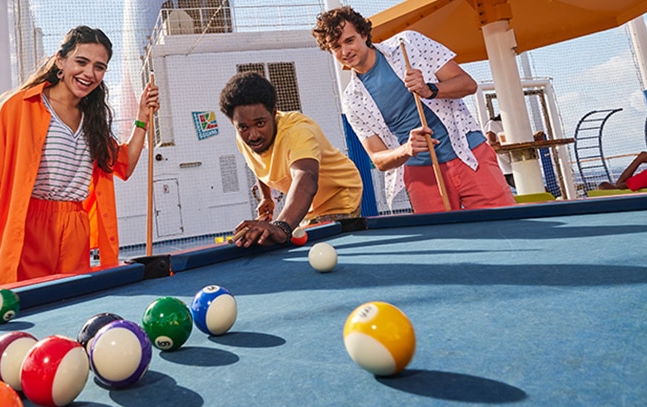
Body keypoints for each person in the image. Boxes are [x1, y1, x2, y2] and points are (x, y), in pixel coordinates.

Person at [0, 26, 161, 287]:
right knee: (24, 302)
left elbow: (123, 165)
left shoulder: (93, 121)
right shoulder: (19, 107)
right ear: (61, 60)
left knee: (71, 302)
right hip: (28, 225)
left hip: (75, 227)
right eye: (81, 62)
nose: (89, 73)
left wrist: (142, 119)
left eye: (99, 67)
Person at [312, 6, 514, 213]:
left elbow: (468, 84)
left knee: (508, 226)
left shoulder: (408, 43)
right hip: (421, 174)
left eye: (349, 40)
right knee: (445, 243)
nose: (345, 52)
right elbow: (378, 159)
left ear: (363, 35)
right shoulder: (352, 99)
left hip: (469, 153)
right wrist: (406, 149)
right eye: (336, 47)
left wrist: (430, 90)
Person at [220, 72, 364, 248]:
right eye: (243, 127)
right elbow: (259, 164)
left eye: (260, 124)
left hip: (338, 193)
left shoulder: (297, 131)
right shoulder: (242, 137)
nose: (253, 135)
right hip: (307, 204)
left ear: (273, 113)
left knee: (321, 247)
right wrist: (267, 198)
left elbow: (306, 176)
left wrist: (281, 226)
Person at [483, 114, 515, 188]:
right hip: (505, 168)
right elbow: (490, 142)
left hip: (517, 162)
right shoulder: (493, 124)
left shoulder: (513, 126)